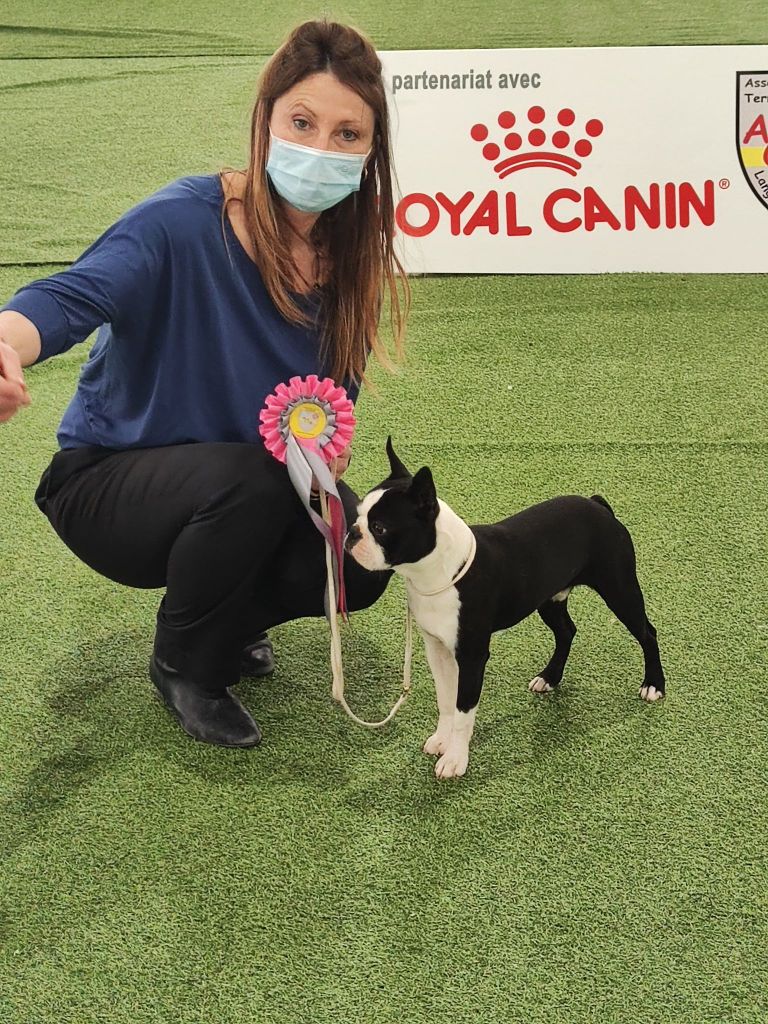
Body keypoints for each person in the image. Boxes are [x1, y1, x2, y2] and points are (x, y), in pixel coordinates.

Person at [0, 19, 411, 748]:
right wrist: (6, 340)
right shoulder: (179, 221)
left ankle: (228, 618)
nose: (321, 148)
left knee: (362, 557)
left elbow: (327, 407)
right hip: (107, 484)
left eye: (347, 134)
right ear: (265, 119)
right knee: (250, 482)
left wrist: (329, 457)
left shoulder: (351, 261)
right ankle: (185, 663)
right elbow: (69, 297)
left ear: (371, 150)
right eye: (302, 123)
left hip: (245, 487)